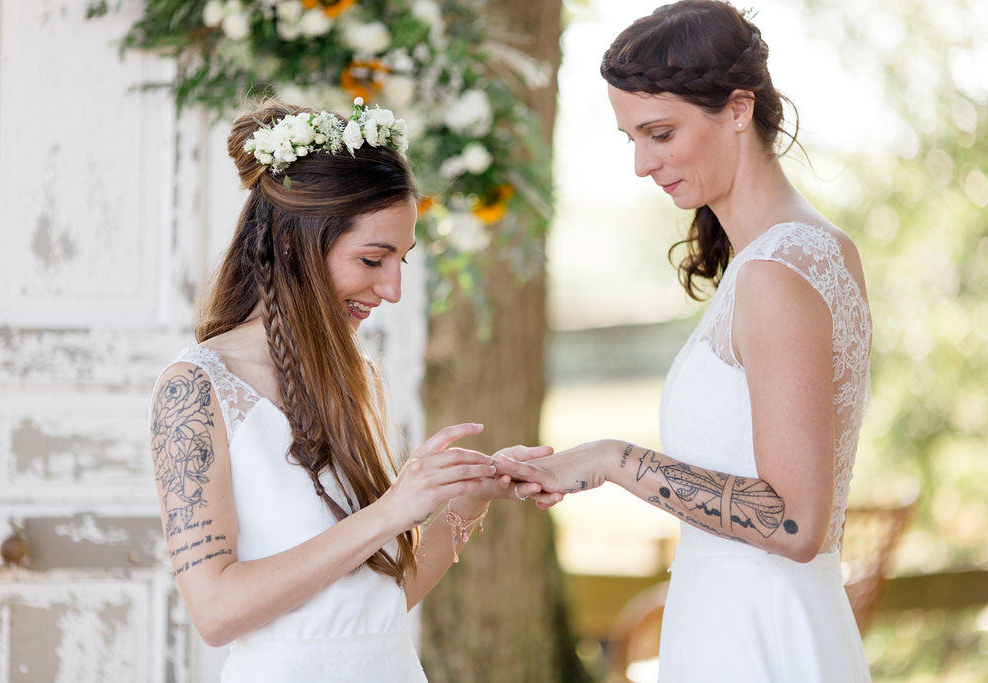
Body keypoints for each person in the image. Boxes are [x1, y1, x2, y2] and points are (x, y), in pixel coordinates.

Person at [494, 2, 873, 681]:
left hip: (757, 633)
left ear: (736, 108)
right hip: (741, 614)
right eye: (631, 138)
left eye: (660, 133)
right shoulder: (813, 250)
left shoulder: (776, 271)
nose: (642, 163)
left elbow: (792, 521)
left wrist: (612, 459)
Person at [149, 99, 549, 682]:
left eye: (402, 260)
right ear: (293, 243)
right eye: (372, 258)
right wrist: (391, 512)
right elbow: (216, 613)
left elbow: (381, 600)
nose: (392, 289)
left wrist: (468, 498)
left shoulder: (353, 377)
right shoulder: (193, 390)